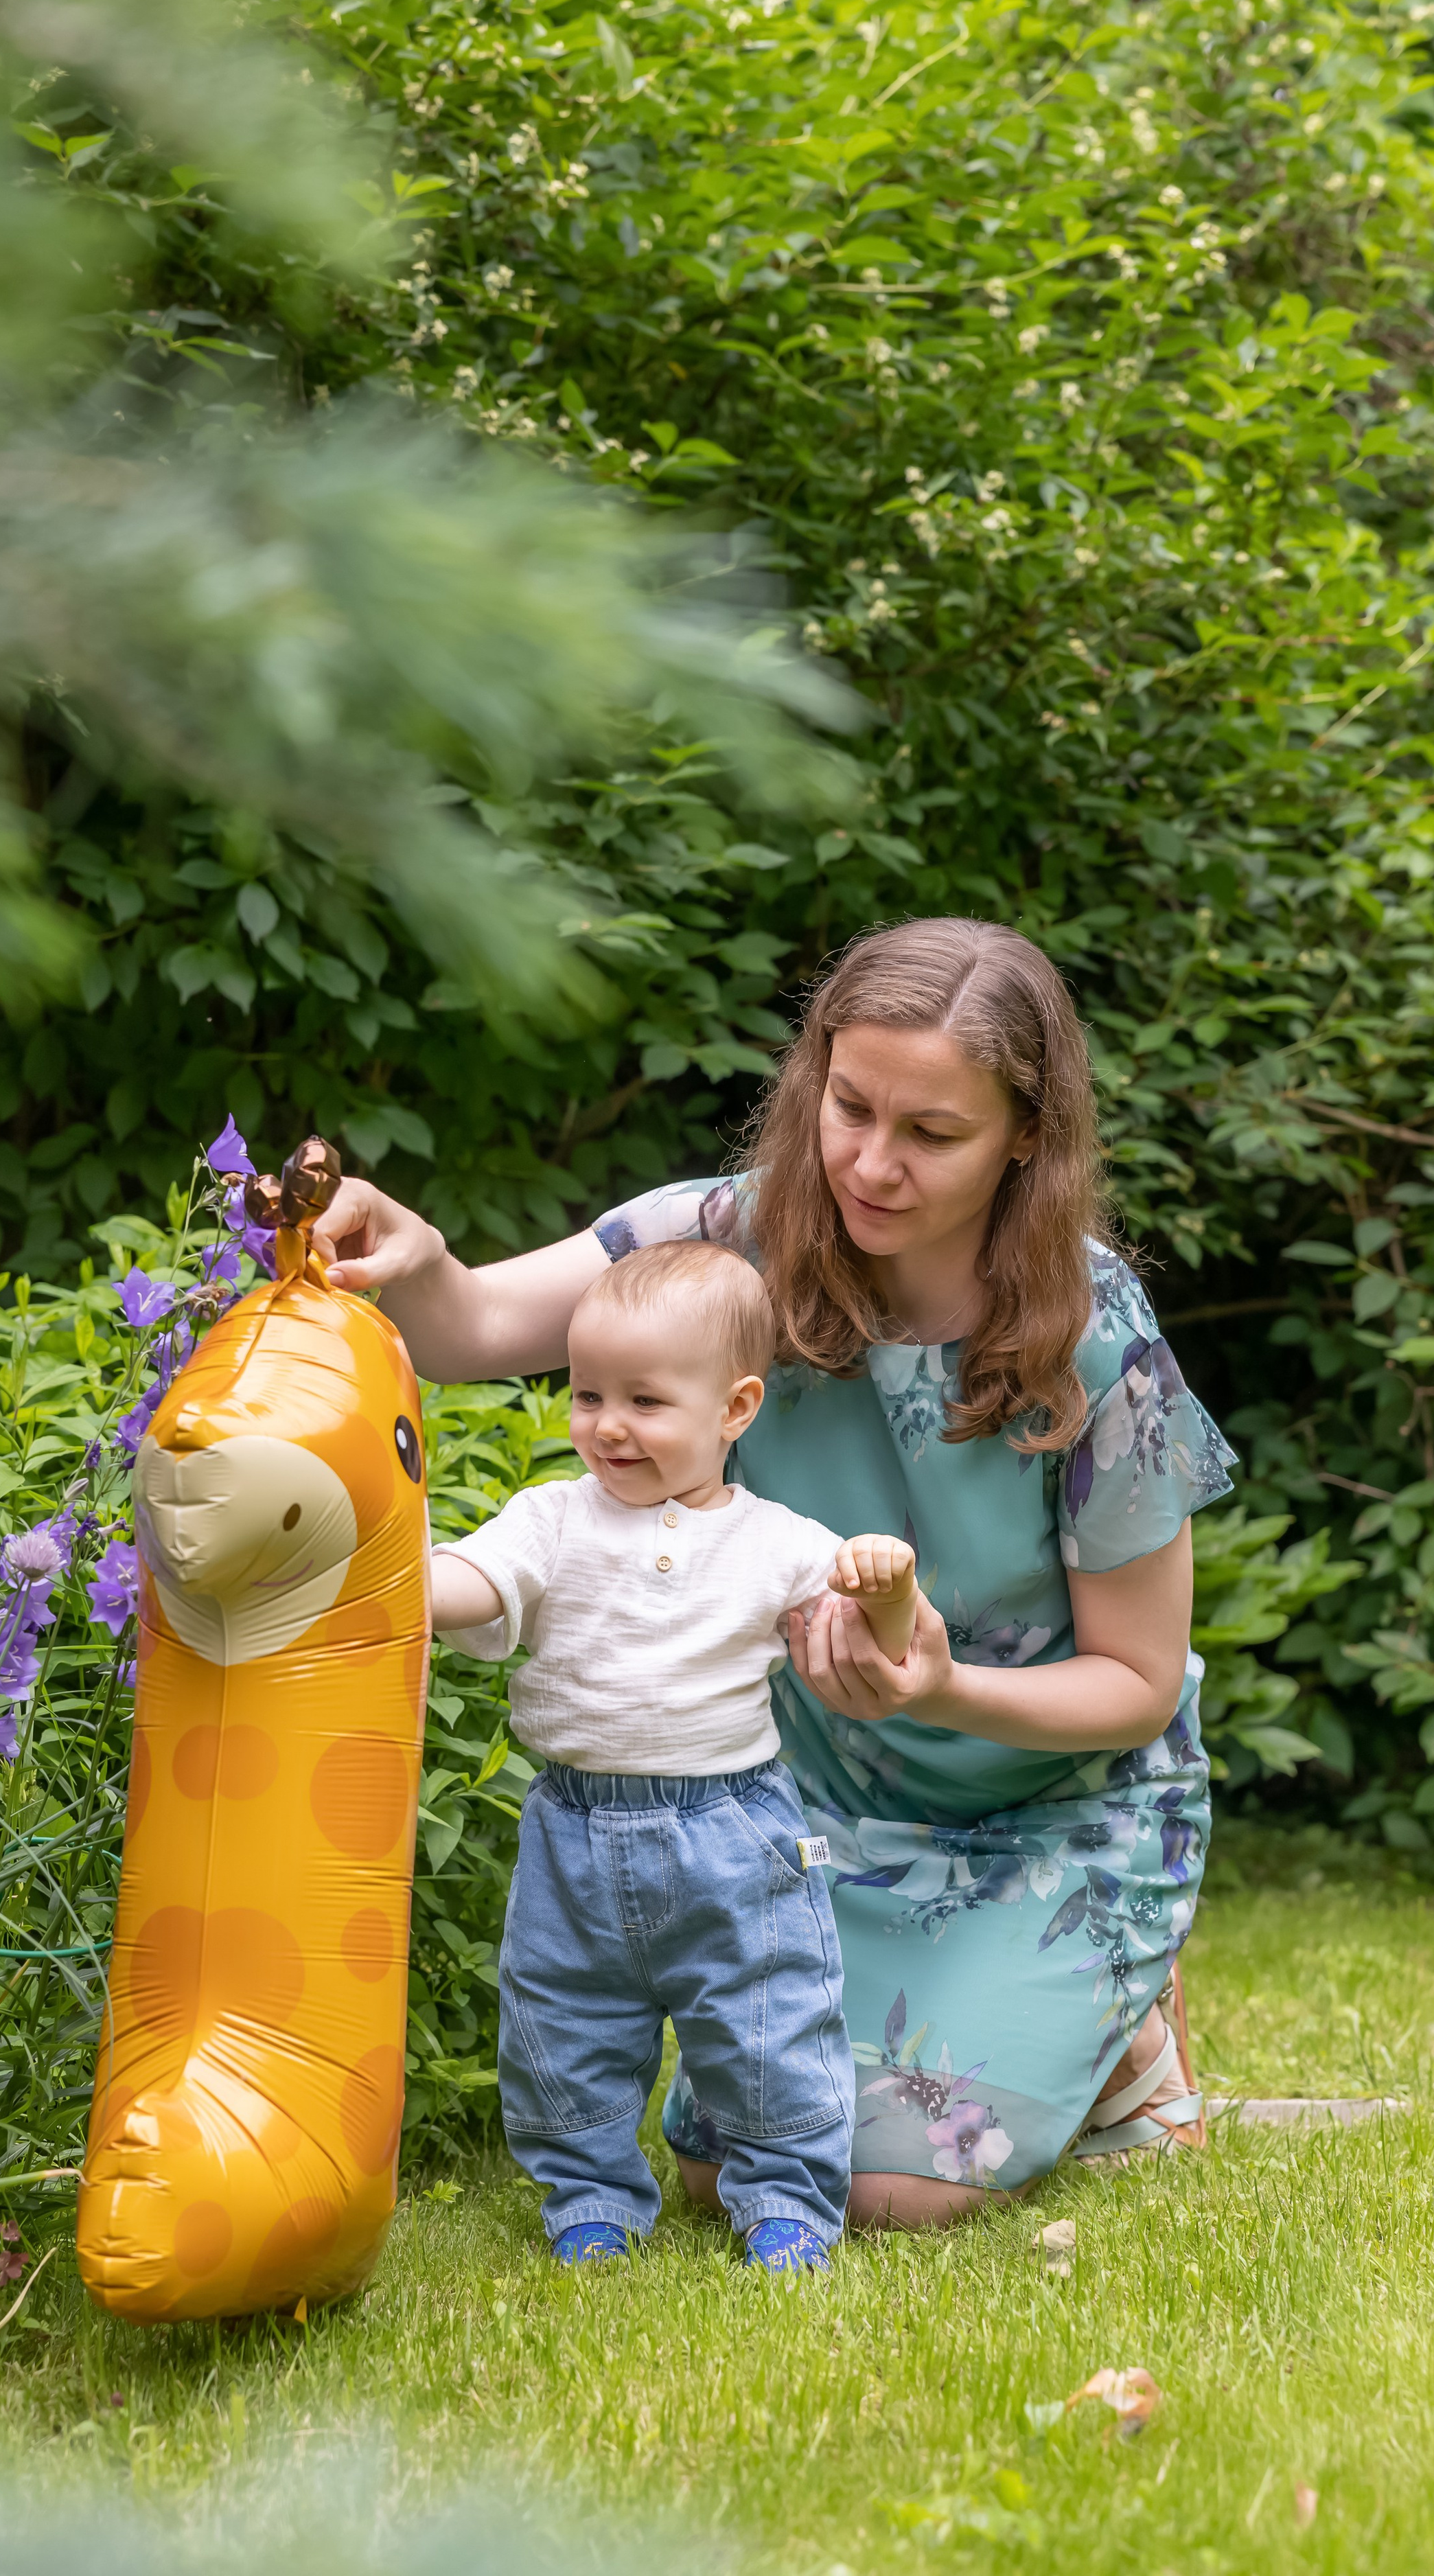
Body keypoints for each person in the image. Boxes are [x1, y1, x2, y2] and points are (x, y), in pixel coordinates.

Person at [321, 917, 1234, 2229]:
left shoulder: (1096, 1340)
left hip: (1056, 1805)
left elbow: (1140, 1686)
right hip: (804, 1816)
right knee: (723, 2170)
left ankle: (1123, 2028)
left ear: (1026, 1136)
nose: (872, 1163)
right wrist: (408, 1259)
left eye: (933, 1134)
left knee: (886, 2189)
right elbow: (468, 1326)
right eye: (850, 1108)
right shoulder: (722, 1235)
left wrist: (943, 1689)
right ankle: (1078, 2042)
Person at [426, 1235, 921, 2268]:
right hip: (573, 1824)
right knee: (562, 2022)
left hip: (735, 1834)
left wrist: (887, 1589)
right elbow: (479, 1585)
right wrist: (402, 1573)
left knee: (767, 2022)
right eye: (588, 1394)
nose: (608, 1426)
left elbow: (888, 1645)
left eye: (645, 1402)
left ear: (734, 1409)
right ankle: (590, 2201)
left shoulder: (777, 1539)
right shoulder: (552, 1518)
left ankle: (785, 2201)